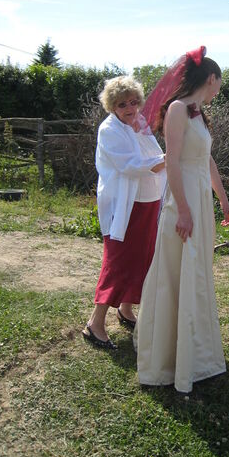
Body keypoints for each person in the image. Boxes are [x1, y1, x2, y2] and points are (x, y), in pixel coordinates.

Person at [133, 47, 229, 393]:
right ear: (211, 78)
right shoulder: (177, 109)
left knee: (196, 273)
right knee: (175, 273)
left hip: (200, 199)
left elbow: (208, 161)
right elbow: (172, 161)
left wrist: (223, 200)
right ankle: (167, 358)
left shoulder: (199, 114)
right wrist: (185, 210)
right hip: (183, 200)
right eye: (219, 83)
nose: (219, 89)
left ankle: (195, 352)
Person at [82, 76, 165, 350]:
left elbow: (153, 154)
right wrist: (168, 159)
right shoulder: (109, 130)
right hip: (125, 205)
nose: (130, 108)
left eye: (133, 102)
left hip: (149, 199)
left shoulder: (139, 122)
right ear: (112, 106)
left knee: (143, 257)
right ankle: (95, 324)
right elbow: (131, 165)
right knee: (118, 261)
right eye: (122, 104)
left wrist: (164, 160)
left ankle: (126, 309)